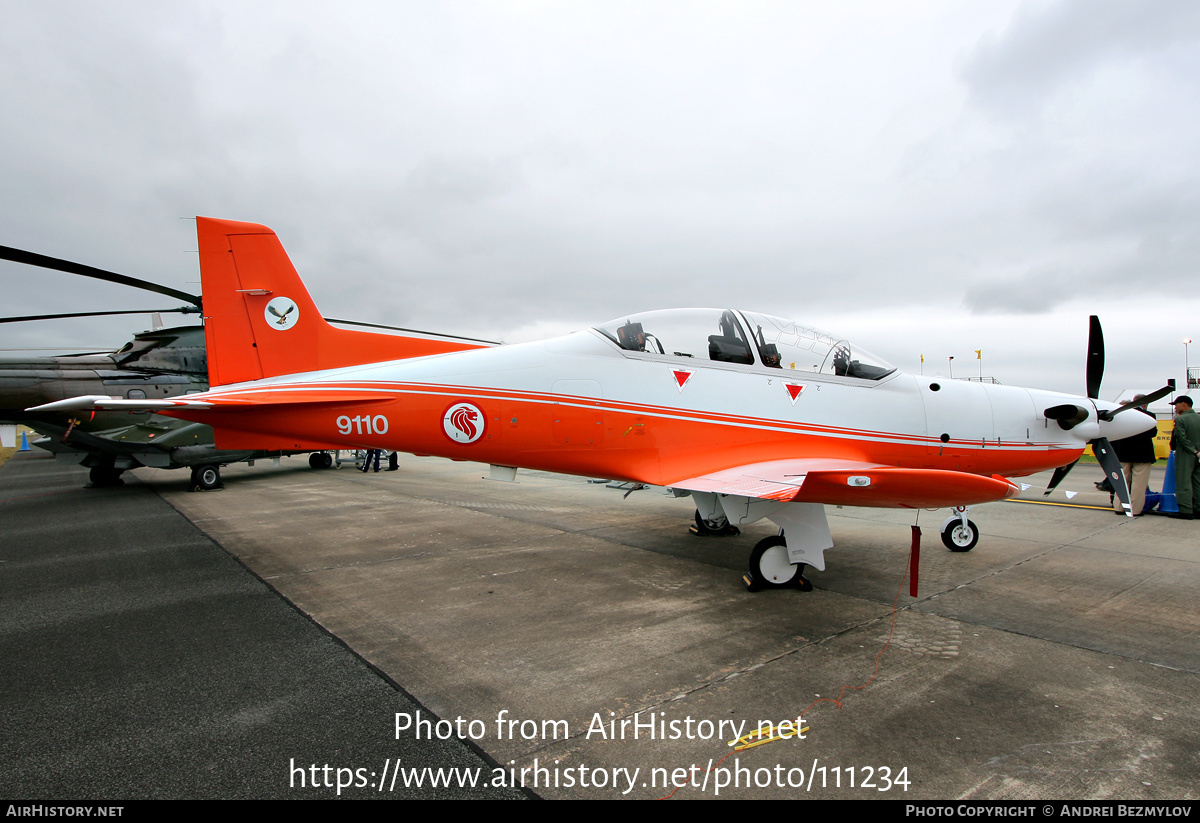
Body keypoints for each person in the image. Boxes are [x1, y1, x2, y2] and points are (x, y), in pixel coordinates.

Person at [1109, 395, 1156, 516]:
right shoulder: (1149, 415)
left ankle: (1119, 506)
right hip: (1142, 454)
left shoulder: (1121, 414)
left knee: (1122, 481)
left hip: (1122, 452)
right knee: (1139, 484)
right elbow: (1153, 433)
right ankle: (1135, 509)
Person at [1169, 395, 1200, 519]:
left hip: (1186, 454)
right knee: (1198, 482)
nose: (1175, 407)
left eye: (1176, 404)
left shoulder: (1181, 420)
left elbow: (1182, 438)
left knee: (1183, 482)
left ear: (1184, 404)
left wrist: (1193, 451)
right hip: (1199, 455)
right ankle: (1198, 509)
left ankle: (1186, 510)